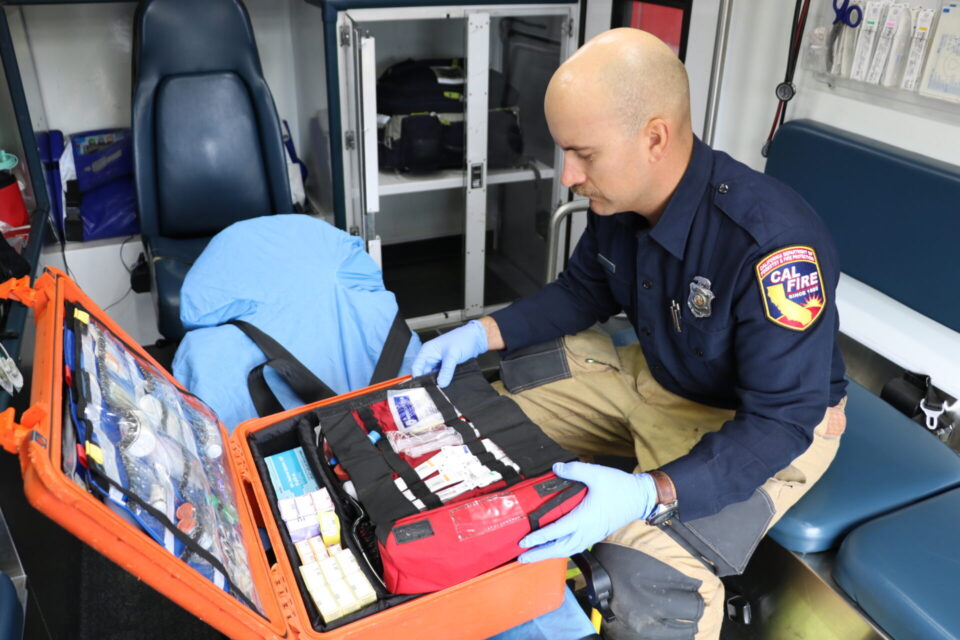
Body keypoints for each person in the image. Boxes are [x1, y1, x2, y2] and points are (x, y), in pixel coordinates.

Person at [412, 28, 847, 640]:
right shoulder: (622, 204)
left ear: (655, 138)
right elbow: (581, 292)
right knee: (475, 429)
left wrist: (649, 493)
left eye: (583, 154)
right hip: (658, 376)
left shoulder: (772, 246)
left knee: (645, 578)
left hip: (764, 423)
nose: (567, 175)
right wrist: (479, 335)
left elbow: (779, 423)